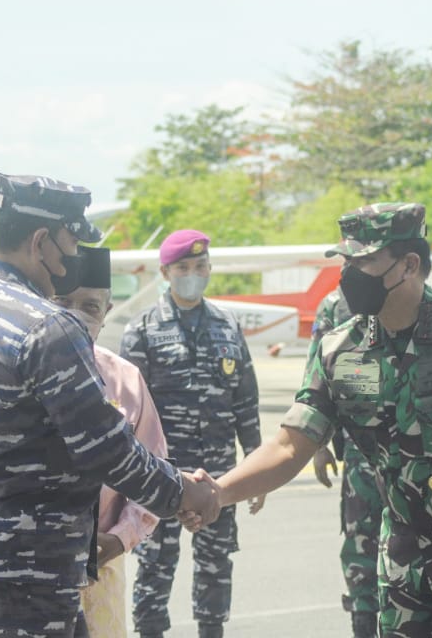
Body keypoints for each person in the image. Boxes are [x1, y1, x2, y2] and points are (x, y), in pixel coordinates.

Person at [204, 202, 432, 637]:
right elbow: (291, 444)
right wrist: (218, 492)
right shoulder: (340, 350)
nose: (350, 274)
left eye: (364, 261)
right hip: (404, 557)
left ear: (409, 264)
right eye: (347, 261)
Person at [0, 172, 218, 638]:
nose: (70, 262)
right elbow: (106, 449)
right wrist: (186, 493)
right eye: (70, 244)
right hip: (31, 564)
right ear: (41, 241)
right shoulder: (46, 326)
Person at [0, 245, 170, 638]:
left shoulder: (125, 380)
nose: (74, 316)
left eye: (89, 306)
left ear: (106, 314)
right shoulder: (5, 370)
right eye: (62, 302)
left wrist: (119, 539)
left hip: (100, 571)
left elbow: (151, 468)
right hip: (12, 568)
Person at [120, 229, 265, 638]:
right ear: (165, 272)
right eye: (183, 267)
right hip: (161, 476)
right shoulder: (143, 330)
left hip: (219, 476)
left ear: (209, 270)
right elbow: (129, 415)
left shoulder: (228, 327)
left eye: (200, 267)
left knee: (217, 566)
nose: (192, 274)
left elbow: (245, 404)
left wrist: (256, 471)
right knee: (154, 568)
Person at [310, 288, 384, 638]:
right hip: (358, 447)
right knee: (361, 541)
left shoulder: (407, 296)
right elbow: (315, 374)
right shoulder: (334, 305)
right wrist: (319, 444)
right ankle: (363, 621)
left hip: (409, 446)